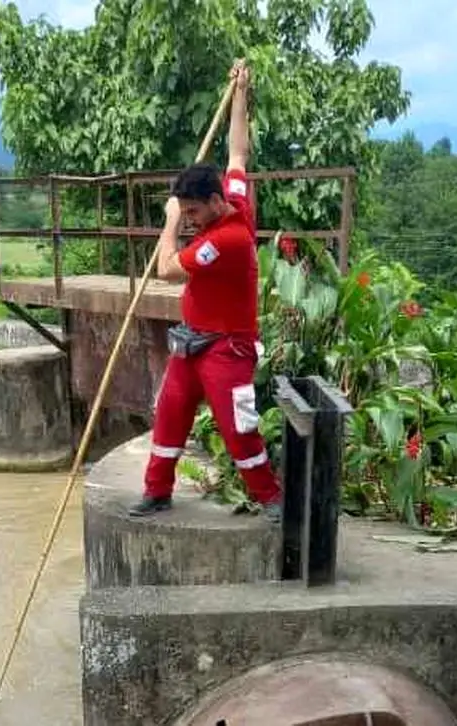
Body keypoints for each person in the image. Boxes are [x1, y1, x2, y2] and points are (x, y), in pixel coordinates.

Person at [128, 59, 283, 523]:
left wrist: (171, 223)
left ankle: (270, 499)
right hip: (192, 341)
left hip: (226, 349)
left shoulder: (227, 240)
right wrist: (240, 93)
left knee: (239, 430)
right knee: (170, 413)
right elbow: (238, 153)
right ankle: (157, 492)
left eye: (194, 210)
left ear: (214, 203)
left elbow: (168, 270)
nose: (191, 217)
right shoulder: (232, 195)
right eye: (187, 211)